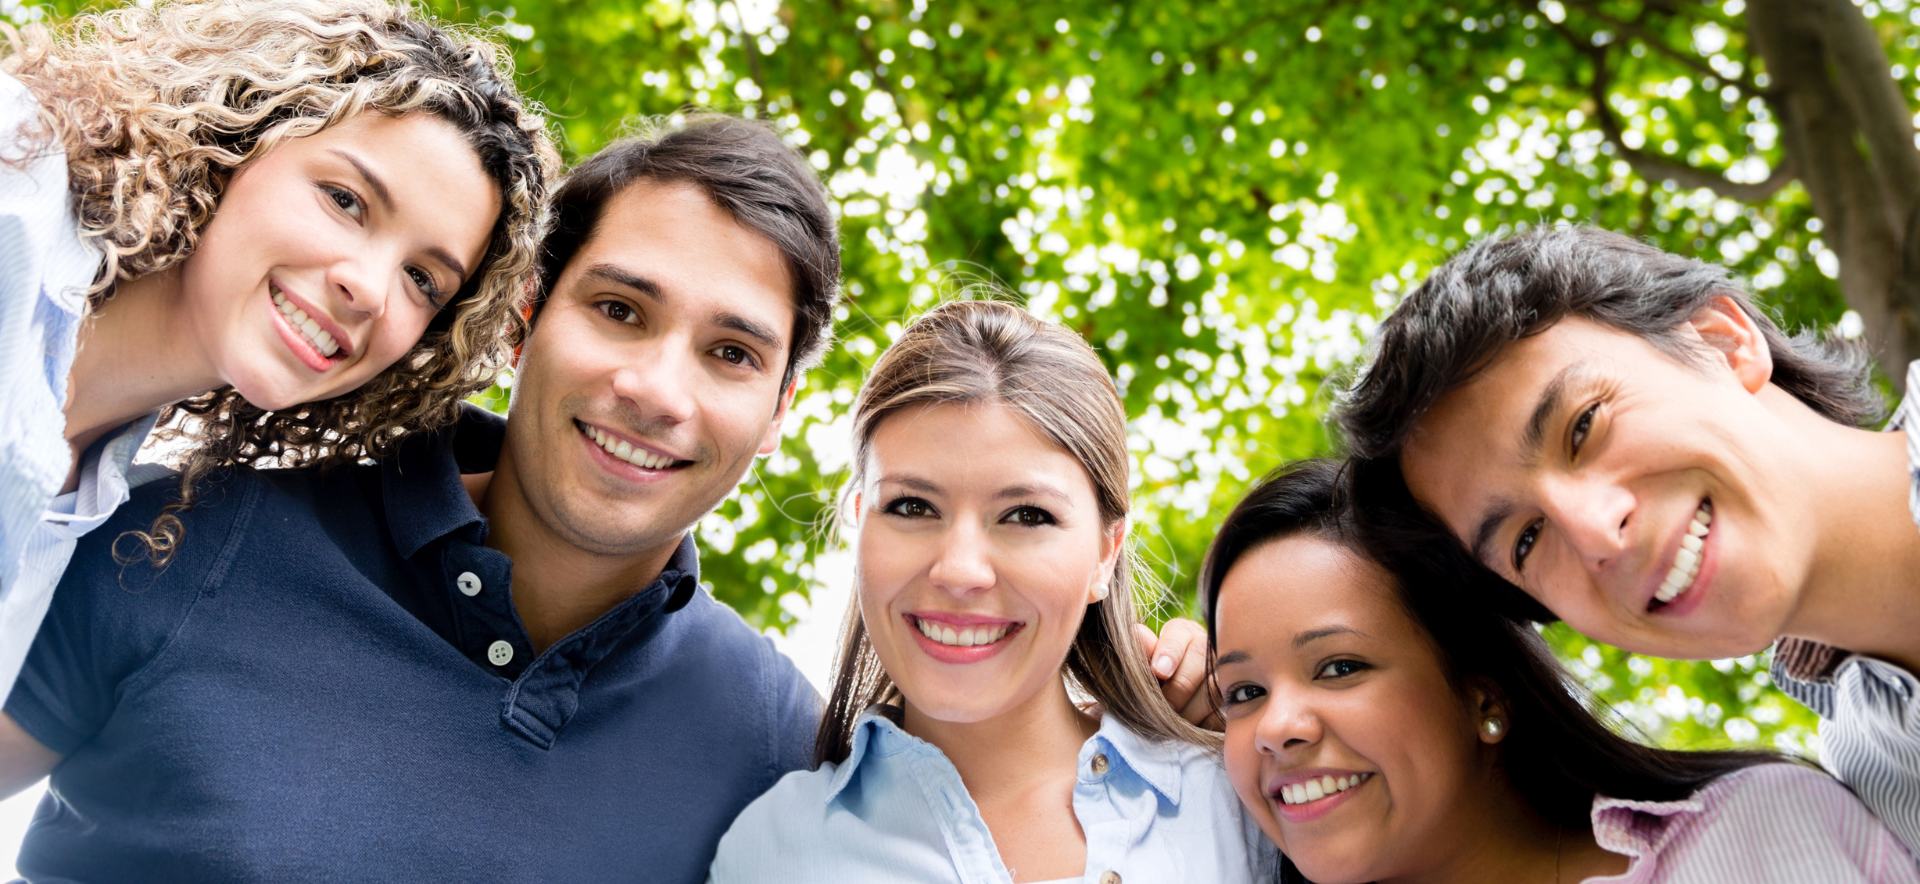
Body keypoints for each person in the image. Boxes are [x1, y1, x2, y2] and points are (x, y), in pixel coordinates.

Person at [0, 116, 838, 883]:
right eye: (619, 310)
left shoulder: (778, 747)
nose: (658, 392)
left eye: (731, 353)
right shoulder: (188, 534)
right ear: (523, 321)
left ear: (778, 412)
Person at [0, 0, 555, 701]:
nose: (368, 288)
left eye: (423, 281)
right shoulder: (16, 190)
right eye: (345, 200)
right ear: (236, 131)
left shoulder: (100, 513)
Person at [1332, 225, 1920, 853]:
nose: (1593, 533)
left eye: (1584, 426)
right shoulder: (1872, 794)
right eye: (1527, 541)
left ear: (1724, 343)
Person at [710, 300, 1269, 884]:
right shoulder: (774, 850)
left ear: (1106, 552)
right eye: (911, 506)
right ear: (859, 524)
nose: (960, 570)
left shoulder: (1243, 799)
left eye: (1026, 516)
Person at [1204, 459, 1919, 883]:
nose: (1277, 727)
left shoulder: (1756, 834)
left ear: (1483, 691)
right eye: (1243, 692)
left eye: (1338, 666)